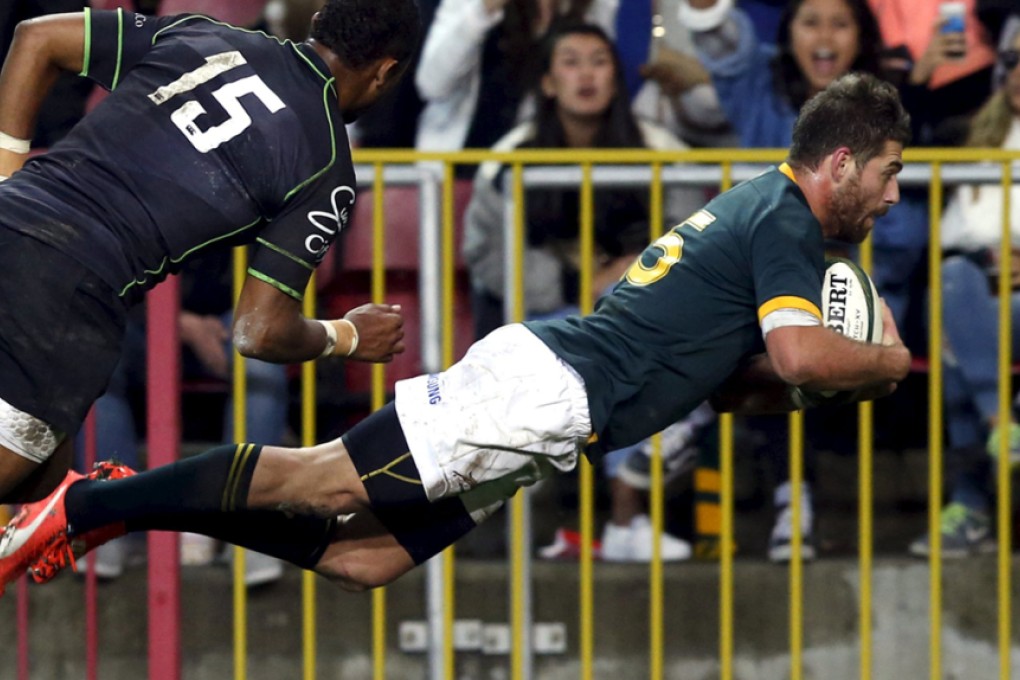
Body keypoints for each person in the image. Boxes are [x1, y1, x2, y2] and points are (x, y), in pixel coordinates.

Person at [0, 73, 913, 594]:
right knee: (321, 479)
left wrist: (817, 385)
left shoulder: (763, 208)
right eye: (888, 172)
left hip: (563, 413)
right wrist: (888, 361)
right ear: (841, 161)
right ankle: (83, 510)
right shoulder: (792, 223)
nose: (894, 195)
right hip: (548, 389)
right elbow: (799, 351)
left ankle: (116, 500)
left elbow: (740, 378)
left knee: (368, 557)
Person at [0, 0, 418, 504]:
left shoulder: (204, 35)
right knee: (33, 482)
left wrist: (7, 182)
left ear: (317, 26)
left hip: (15, 224)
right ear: (386, 72)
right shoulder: (325, 165)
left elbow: (37, 38)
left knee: (43, 478)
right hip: (72, 288)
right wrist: (346, 336)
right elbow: (258, 331)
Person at [908, 29, 1020, 557]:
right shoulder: (975, 135)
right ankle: (1003, 424)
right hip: (974, 289)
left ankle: (972, 504)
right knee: (953, 287)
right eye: (1014, 59)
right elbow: (956, 231)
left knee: (957, 333)